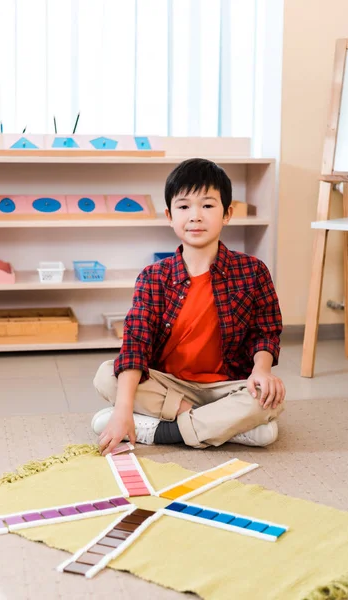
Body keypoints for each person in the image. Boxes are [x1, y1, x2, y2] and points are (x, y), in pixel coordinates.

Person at [92, 158, 286, 455]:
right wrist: (122, 412)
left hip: (226, 387)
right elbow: (136, 345)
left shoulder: (253, 270)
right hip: (170, 385)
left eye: (208, 206)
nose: (195, 216)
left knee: (268, 395)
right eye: (184, 207)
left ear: (227, 214)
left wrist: (262, 371)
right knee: (107, 374)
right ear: (170, 215)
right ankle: (225, 427)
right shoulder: (154, 276)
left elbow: (265, 331)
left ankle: (160, 430)